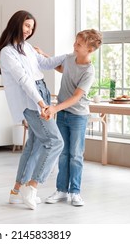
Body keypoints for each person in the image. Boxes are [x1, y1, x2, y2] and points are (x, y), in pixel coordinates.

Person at [0, 10, 64, 210]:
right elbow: (23, 80)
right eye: (27, 26)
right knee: (54, 141)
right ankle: (32, 186)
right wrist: (41, 103)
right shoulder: (7, 52)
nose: (29, 30)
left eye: (31, 28)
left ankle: (16, 191)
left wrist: (69, 56)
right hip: (31, 100)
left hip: (41, 92)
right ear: (16, 23)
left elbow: (46, 63)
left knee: (34, 144)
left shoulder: (26, 47)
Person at [43, 29, 103, 206]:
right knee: (63, 154)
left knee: (76, 155)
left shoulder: (89, 71)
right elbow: (61, 67)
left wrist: (55, 108)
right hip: (62, 114)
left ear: (89, 50)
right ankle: (61, 190)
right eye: (75, 42)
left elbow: (77, 96)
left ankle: (75, 191)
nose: (74, 46)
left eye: (79, 44)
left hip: (78, 116)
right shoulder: (69, 59)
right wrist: (43, 55)